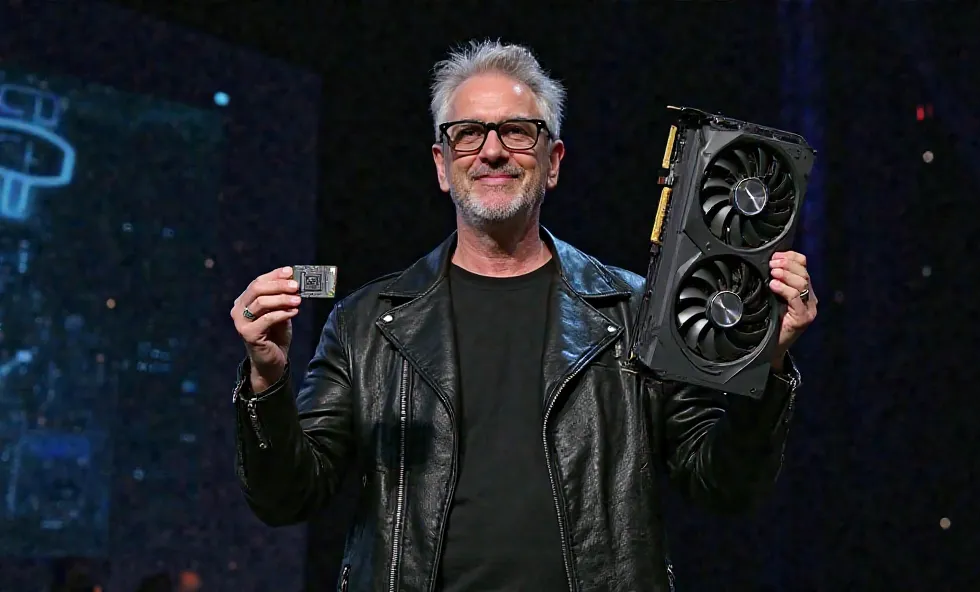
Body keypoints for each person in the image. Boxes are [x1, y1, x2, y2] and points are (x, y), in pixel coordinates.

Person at [230, 40, 818, 592]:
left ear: (553, 160)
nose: (491, 150)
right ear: (441, 163)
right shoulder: (366, 324)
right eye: (467, 134)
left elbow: (723, 486)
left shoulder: (638, 311)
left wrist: (764, 367)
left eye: (516, 131)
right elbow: (288, 498)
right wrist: (266, 381)